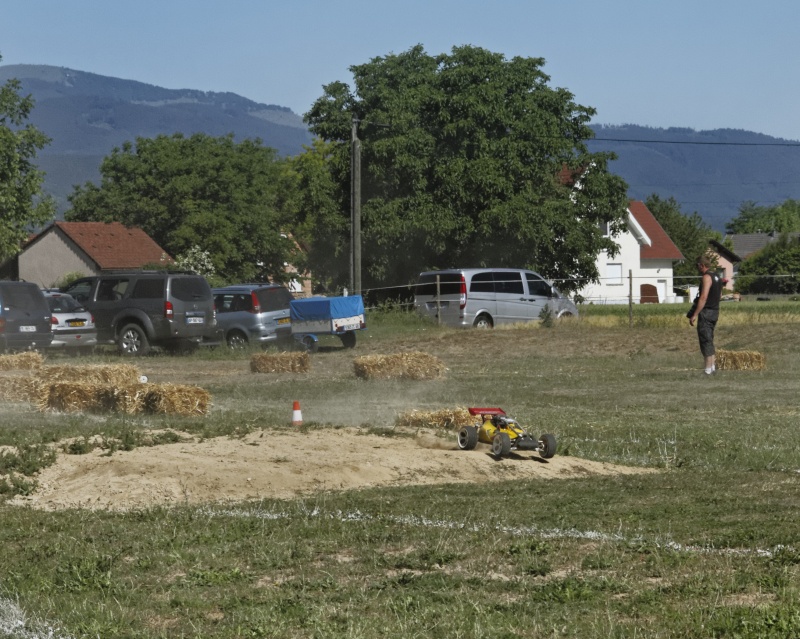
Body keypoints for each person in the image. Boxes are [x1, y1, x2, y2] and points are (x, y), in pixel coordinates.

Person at [688, 255, 723, 374]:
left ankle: (707, 370)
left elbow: (703, 297)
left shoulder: (707, 277)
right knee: (710, 338)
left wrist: (695, 314)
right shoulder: (717, 276)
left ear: (702, 265)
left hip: (706, 312)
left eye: (697, 266)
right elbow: (720, 296)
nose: (697, 268)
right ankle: (712, 368)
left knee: (705, 340)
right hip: (715, 311)